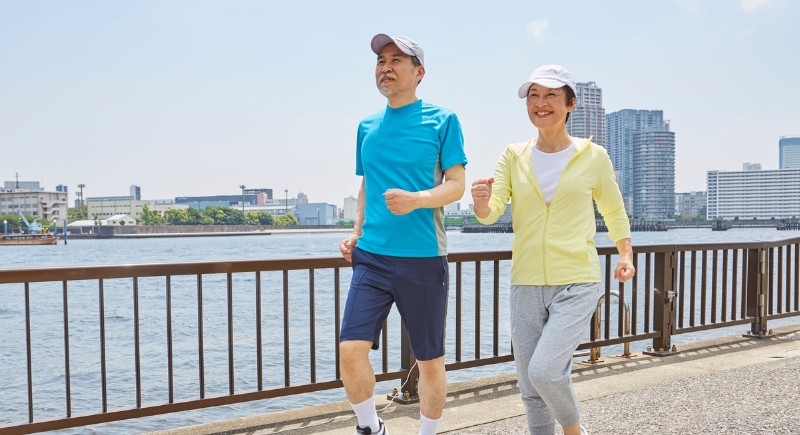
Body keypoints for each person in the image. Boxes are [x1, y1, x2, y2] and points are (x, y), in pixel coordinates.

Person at [470, 65, 634, 435]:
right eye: (533, 95)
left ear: (570, 104)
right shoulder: (513, 155)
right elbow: (492, 212)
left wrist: (625, 255)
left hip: (577, 280)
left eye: (550, 95)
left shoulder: (593, 156)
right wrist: (481, 203)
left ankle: (574, 432)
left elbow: (613, 211)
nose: (540, 103)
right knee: (531, 389)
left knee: (544, 371)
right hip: (525, 282)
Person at [338, 34, 467, 435]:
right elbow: (367, 185)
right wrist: (356, 231)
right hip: (371, 257)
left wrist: (417, 200)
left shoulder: (443, 120)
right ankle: (370, 427)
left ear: (419, 72)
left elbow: (456, 185)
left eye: (396, 60)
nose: (386, 67)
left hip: (423, 257)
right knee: (350, 351)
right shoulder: (366, 126)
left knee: (429, 361)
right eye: (381, 61)